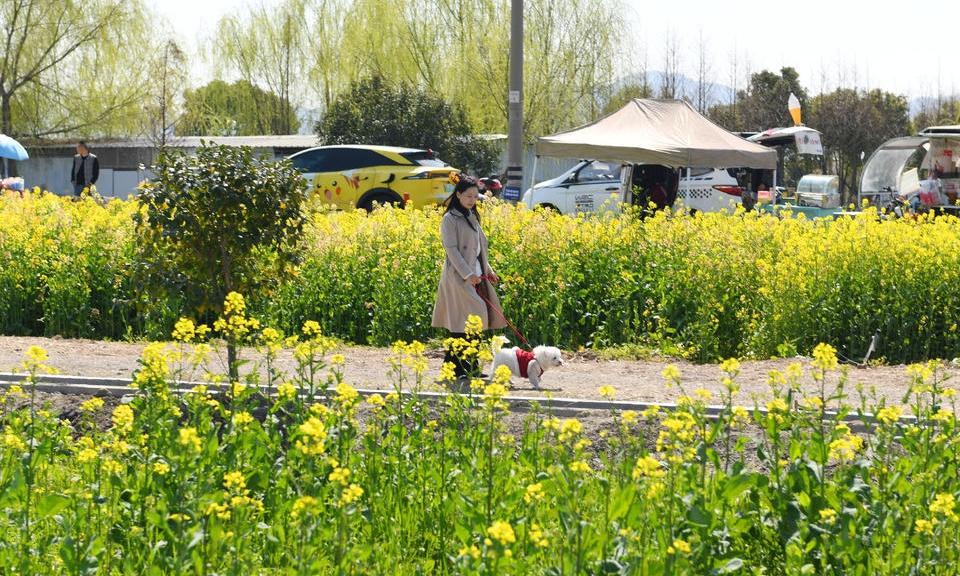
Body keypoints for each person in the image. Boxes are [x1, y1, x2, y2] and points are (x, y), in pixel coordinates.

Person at [432, 174, 507, 380]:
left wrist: (488, 270)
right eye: (468, 196)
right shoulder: (450, 219)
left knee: (469, 323)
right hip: (458, 278)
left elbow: (479, 248)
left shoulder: (472, 216)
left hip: (477, 276)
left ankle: (462, 368)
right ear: (458, 195)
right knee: (468, 320)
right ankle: (460, 368)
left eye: (475, 196)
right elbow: (452, 250)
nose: (472, 200)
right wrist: (468, 274)